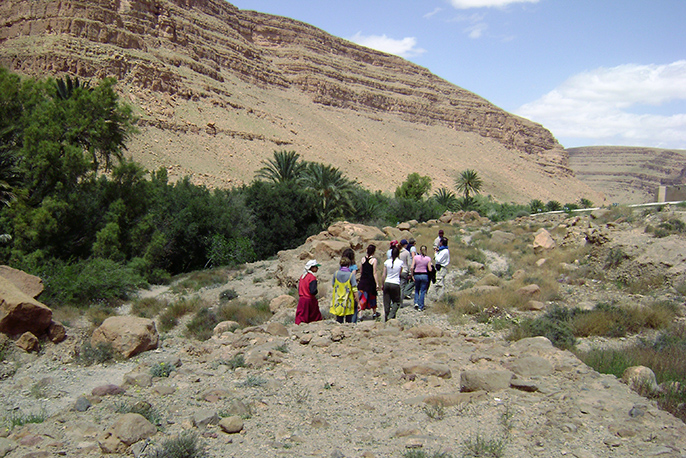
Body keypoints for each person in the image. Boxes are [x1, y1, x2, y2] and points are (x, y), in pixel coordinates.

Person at [330, 257, 358, 323]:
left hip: (338, 300)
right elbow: (354, 289)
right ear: (348, 265)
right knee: (349, 321)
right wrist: (358, 301)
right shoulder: (351, 275)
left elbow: (333, 285)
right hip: (348, 300)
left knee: (339, 320)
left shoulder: (336, 274)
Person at [357, 244, 380, 320]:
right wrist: (377, 283)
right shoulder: (374, 260)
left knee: (362, 297)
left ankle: (360, 314)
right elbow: (374, 272)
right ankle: (374, 313)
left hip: (363, 281)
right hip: (370, 282)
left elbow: (361, 270)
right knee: (372, 296)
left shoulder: (362, 259)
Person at [295, 259, 322, 324]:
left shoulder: (302, 276)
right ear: (311, 268)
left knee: (301, 316)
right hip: (309, 300)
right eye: (316, 267)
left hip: (302, 299)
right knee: (314, 317)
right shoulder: (312, 277)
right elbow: (313, 291)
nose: (317, 268)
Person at [381, 246, 404, 321]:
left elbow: (384, 275)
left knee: (386, 302)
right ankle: (391, 315)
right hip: (395, 283)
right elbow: (400, 274)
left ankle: (386, 317)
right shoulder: (400, 262)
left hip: (387, 282)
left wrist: (382, 284)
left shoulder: (387, 262)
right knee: (397, 302)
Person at [411, 245, 433, 311]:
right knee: (423, 291)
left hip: (417, 274)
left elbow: (412, 267)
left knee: (417, 289)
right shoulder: (428, 258)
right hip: (424, 275)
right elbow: (430, 269)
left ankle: (416, 302)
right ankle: (421, 306)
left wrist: (412, 275)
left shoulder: (415, 257)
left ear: (420, 250)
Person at [341, 248, 359, 322]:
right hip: (351, 288)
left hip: (342, 289)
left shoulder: (341, 267)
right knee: (353, 307)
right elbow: (353, 277)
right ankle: (352, 323)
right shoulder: (353, 267)